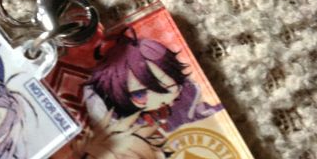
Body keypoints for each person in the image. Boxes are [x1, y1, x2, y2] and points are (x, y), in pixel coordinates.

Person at [85, 27, 221, 133]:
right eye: (140, 94)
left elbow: (200, 114)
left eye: (166, 85)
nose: (157, 97)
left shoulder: (187, 99)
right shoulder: (123, 123)